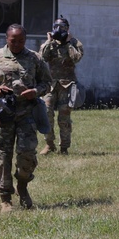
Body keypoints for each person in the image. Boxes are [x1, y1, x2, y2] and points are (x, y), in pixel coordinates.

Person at [0, 24, 52, 212]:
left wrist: (36, 91)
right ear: (6, 39)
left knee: (27, 154)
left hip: (27, 114)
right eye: (13, 41)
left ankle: (23, 186)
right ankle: (5, 199)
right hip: (3, 115)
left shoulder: (35, 58)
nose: (17, 44)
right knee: (2, 156)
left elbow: (47, 82)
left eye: (21, 41)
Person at [39, 16, 84, 155]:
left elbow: (76, 58)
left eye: (62, 27)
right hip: (50, 84)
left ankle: (64, 148)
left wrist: (69, 42)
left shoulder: (75, 43)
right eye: (57, 27)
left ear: (67, 29)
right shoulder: (50, 43)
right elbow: (42, 58)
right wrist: (49, 41)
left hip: (67, 84)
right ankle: (49, 144)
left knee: (64, 118)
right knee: (46, 114)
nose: (59, 30)